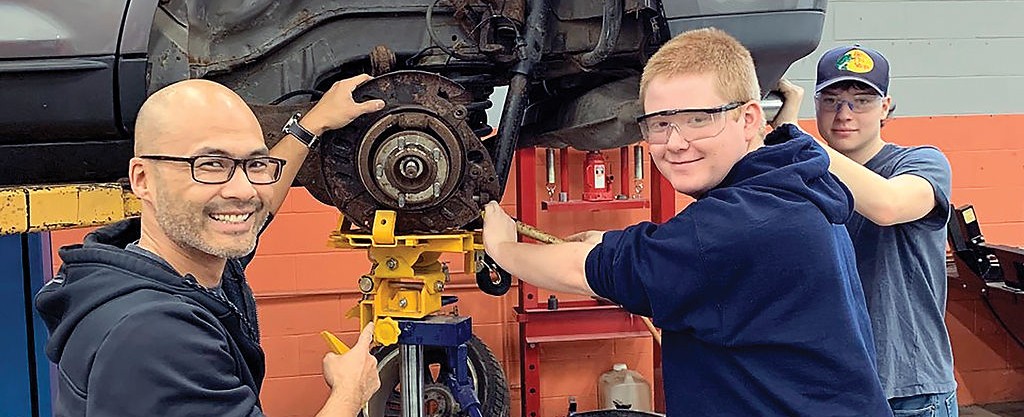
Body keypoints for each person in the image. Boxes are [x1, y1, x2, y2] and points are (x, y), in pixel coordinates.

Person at [482, 28, 891, 416]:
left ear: (748, 119)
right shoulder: (790, 186)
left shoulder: (736, 226)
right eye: (660, 123)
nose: (675, 143)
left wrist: (503, 249)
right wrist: (606, 240)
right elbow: (690, 253)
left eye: (698, 118)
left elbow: (586, 270)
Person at [35, 75, 386, 417]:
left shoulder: (176, 265)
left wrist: (313, 124)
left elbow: (256, 211)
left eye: (255, 164)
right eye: (211, 165)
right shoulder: (158, 336)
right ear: (142, 179)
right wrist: (350, 392)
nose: (244, 191)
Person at [772, 45, 957, 416]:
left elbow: (888, 206)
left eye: (861, 101)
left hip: (907, 392)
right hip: (829, 389)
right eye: (832, 100)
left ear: (886, 107)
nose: (845, 114)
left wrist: (792, 135)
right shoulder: (804, 175)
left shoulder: (920, 162)